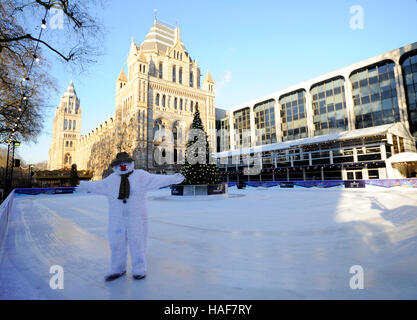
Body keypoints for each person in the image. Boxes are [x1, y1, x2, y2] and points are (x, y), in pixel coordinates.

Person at [77, 152, 184, 281]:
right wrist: (85, 185)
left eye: (125, 163)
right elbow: (99, 185)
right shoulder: (112, 179)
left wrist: (172, 178)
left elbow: (156, 179)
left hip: (136, 217)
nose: (123, 166)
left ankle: (139, 269)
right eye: (120, 164)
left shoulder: (140, 176)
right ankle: (118, 268)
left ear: (130, 164)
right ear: (116, 166)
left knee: (137, 242)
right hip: (116, 219)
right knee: (116, 243)